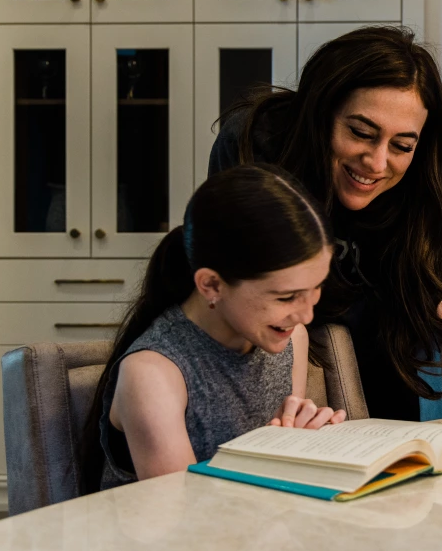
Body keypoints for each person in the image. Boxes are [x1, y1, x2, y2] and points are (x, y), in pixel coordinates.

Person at [210, 26, 442, 420]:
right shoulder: (255, 144)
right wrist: (413, 297)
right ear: (320, 112)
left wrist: (428, 291)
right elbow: (254, 288)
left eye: (403, 146)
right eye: (360, 132)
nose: (377, 163)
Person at [80, 164, 345, 493]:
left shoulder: (291, 339)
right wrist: (281, 459)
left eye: (315, 288)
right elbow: (186, 517)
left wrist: (301, 448)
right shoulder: (152, 374)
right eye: (287, 296)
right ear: (211, 285)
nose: (306, 315)